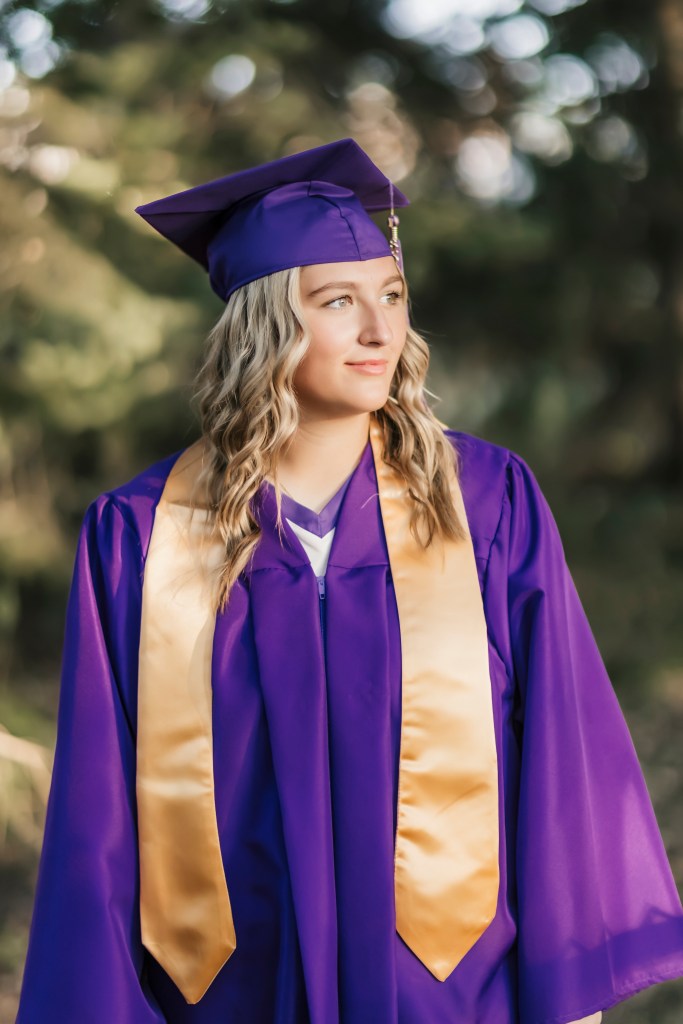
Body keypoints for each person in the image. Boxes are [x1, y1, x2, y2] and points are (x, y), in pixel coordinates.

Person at [14, 138, 683, 1024]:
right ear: (264, 328)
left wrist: (570, 1000)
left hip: (451, 997)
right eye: (338, 301)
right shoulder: (140, 536)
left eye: (391, 296)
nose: (380, 331)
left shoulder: (483, 502)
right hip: (232, 1001)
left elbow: (563, 747)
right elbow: (96, 816)